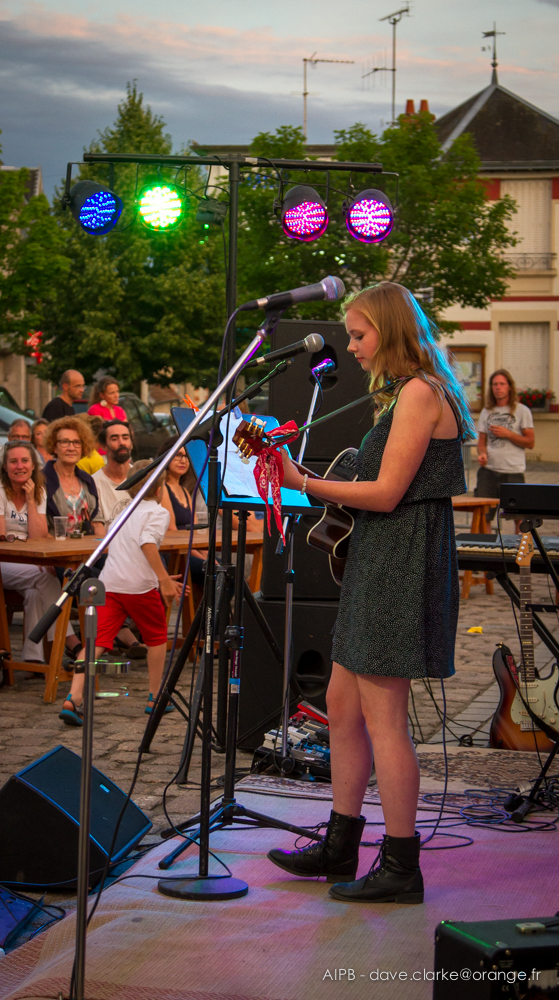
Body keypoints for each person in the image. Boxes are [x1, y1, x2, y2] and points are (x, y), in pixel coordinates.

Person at [267, 282, 474, 904]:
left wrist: (304, 482)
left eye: (358, 335)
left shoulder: (419, 393)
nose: (352, 347)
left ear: (389, 329)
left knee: (385, 719)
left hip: (398, 566)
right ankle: (340, 842)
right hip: (380, 560)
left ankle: (402, 866)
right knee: (343, 704)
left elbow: (386, 494)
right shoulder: (405, 392)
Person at [59, 461, 183, 725]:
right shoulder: (158, 512)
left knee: (96, 642)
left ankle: (74, 696)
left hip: (111, 584)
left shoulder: (122, 512)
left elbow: (126, 550)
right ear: (159, 488)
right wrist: (162, 579)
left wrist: (159, 576)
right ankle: (155, 696)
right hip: (139, 588)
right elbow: (147, 543)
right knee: (157, 638)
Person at [0, 441, 82, 661]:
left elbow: (38, 537)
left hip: (25, 561)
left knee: (36, 593)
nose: (20, 466)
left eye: (24, 461)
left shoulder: (39, 491)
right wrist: (30, 554)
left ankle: (32, 658)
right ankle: (71, 641)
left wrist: (30, 499)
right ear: (5, 467)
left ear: (33, 465)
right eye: (13, 461)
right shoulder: (0, 491)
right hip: (4, 560)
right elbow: (2, 538)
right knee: (46, 578)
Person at [90, 419, 147, 658]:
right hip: (109, 552)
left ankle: (130, 630)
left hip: (142, 549)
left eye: (125, 437)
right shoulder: (94, 482)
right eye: (114, 438)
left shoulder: (143, 478)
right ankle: (122, 632)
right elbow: (98, 530)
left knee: (161, 565)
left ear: (131, 442)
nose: (121, 442)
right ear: (104, 446)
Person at [475, 369, 534, 530]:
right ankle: (485, 546)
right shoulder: (486, 411)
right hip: (488, 471)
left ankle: (519, 546)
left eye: (502, 384)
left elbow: (530, 442)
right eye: (495, 384)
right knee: (483, 516)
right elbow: (481, 442)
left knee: (519, 517)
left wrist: (508, 434)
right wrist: (482, 454)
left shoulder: (522, 411)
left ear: (509, 387)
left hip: (513, 471)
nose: (498, 387)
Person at [156, 436, 206, 586]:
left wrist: (208, 556)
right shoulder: (163, 488)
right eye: (178, 455)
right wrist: (205, 559)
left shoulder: (185, 491)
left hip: (190, 549)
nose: (183, 461)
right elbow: (172, 531)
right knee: (217, 573)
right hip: (174, 552)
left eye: (186, 456)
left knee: (228, 571)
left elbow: (195, 532)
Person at [42, 417, 104, 537]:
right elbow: (41, 530)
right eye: (64, 442)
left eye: (76, 442)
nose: (71, 448)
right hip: (54, 546)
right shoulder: (42, 480)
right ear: (54, 447)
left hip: (87, 547)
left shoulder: (87, 480)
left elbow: (97, 522)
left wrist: (101, 546)